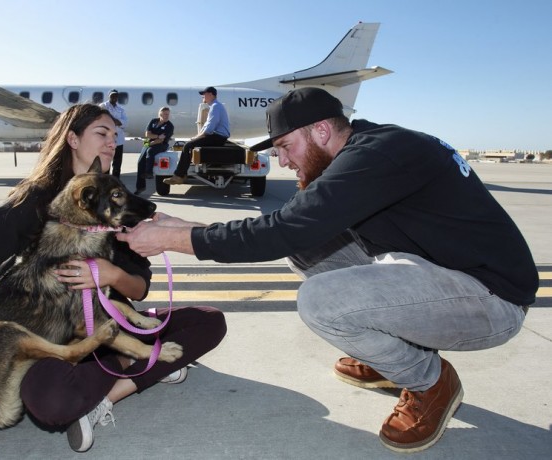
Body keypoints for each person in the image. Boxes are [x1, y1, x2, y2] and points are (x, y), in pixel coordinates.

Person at [117, 87, 538, 453]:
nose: (282, 161)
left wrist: (172, 241)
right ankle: (395, 355)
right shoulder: (371, 145)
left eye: (285, 147)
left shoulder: (376, 157)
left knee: (321, 301)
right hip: (442, 272)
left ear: (320, 131)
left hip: (491, 301)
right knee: (309, 247)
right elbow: (290, 228)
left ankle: (430, 382)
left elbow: (280, 230)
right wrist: (183, 226)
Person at [0, 103, 227, 453]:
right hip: (48, 339)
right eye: (102, 133)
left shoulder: (118, 201)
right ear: (71, 138)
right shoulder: (35, 202)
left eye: (115, 136)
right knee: (53, 402)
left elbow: (139, 288)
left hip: (108, 322)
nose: (111, 142)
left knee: (210, 322)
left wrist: (108, 272)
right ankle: (137, 363)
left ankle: (111, 390)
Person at [163, 86, 230, 185]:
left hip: (218, 137)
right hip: (218, 137)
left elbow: (210, 128)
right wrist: (197, 136)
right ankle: (182, 174)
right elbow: (207, 125)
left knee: (187, 146)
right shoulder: (215, 106)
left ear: (211, 94)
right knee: (190, 144)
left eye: (204, 94)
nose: (202, 96)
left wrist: (198, 137)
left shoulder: (215, 106)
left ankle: (179, 176)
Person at [134, 106, 174, 194]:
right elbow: (147, 134)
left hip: (161, 145)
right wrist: (157, 136)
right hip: (149, 143)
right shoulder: (153, 121)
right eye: (164, 114)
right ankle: (140, 187)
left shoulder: (169, 126)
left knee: (150, 151)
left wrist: (150, 142)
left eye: (168, 114)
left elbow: (161, 140)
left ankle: (149, 172)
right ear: (160, 114)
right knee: (140, 162)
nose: (166, 116)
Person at [98, 89, 128, 177]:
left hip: (118, 140)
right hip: (106, 139)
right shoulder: (103, 106)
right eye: (112, 95)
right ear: (109, 96)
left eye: (116, 96)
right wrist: (116, 122)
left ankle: (116, 180)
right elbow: (102, 120)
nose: (114, 97)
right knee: (105, 161)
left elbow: (125, 123)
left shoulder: (121, 109)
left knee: (117, 163)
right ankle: (105, 181)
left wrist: (111, 119)